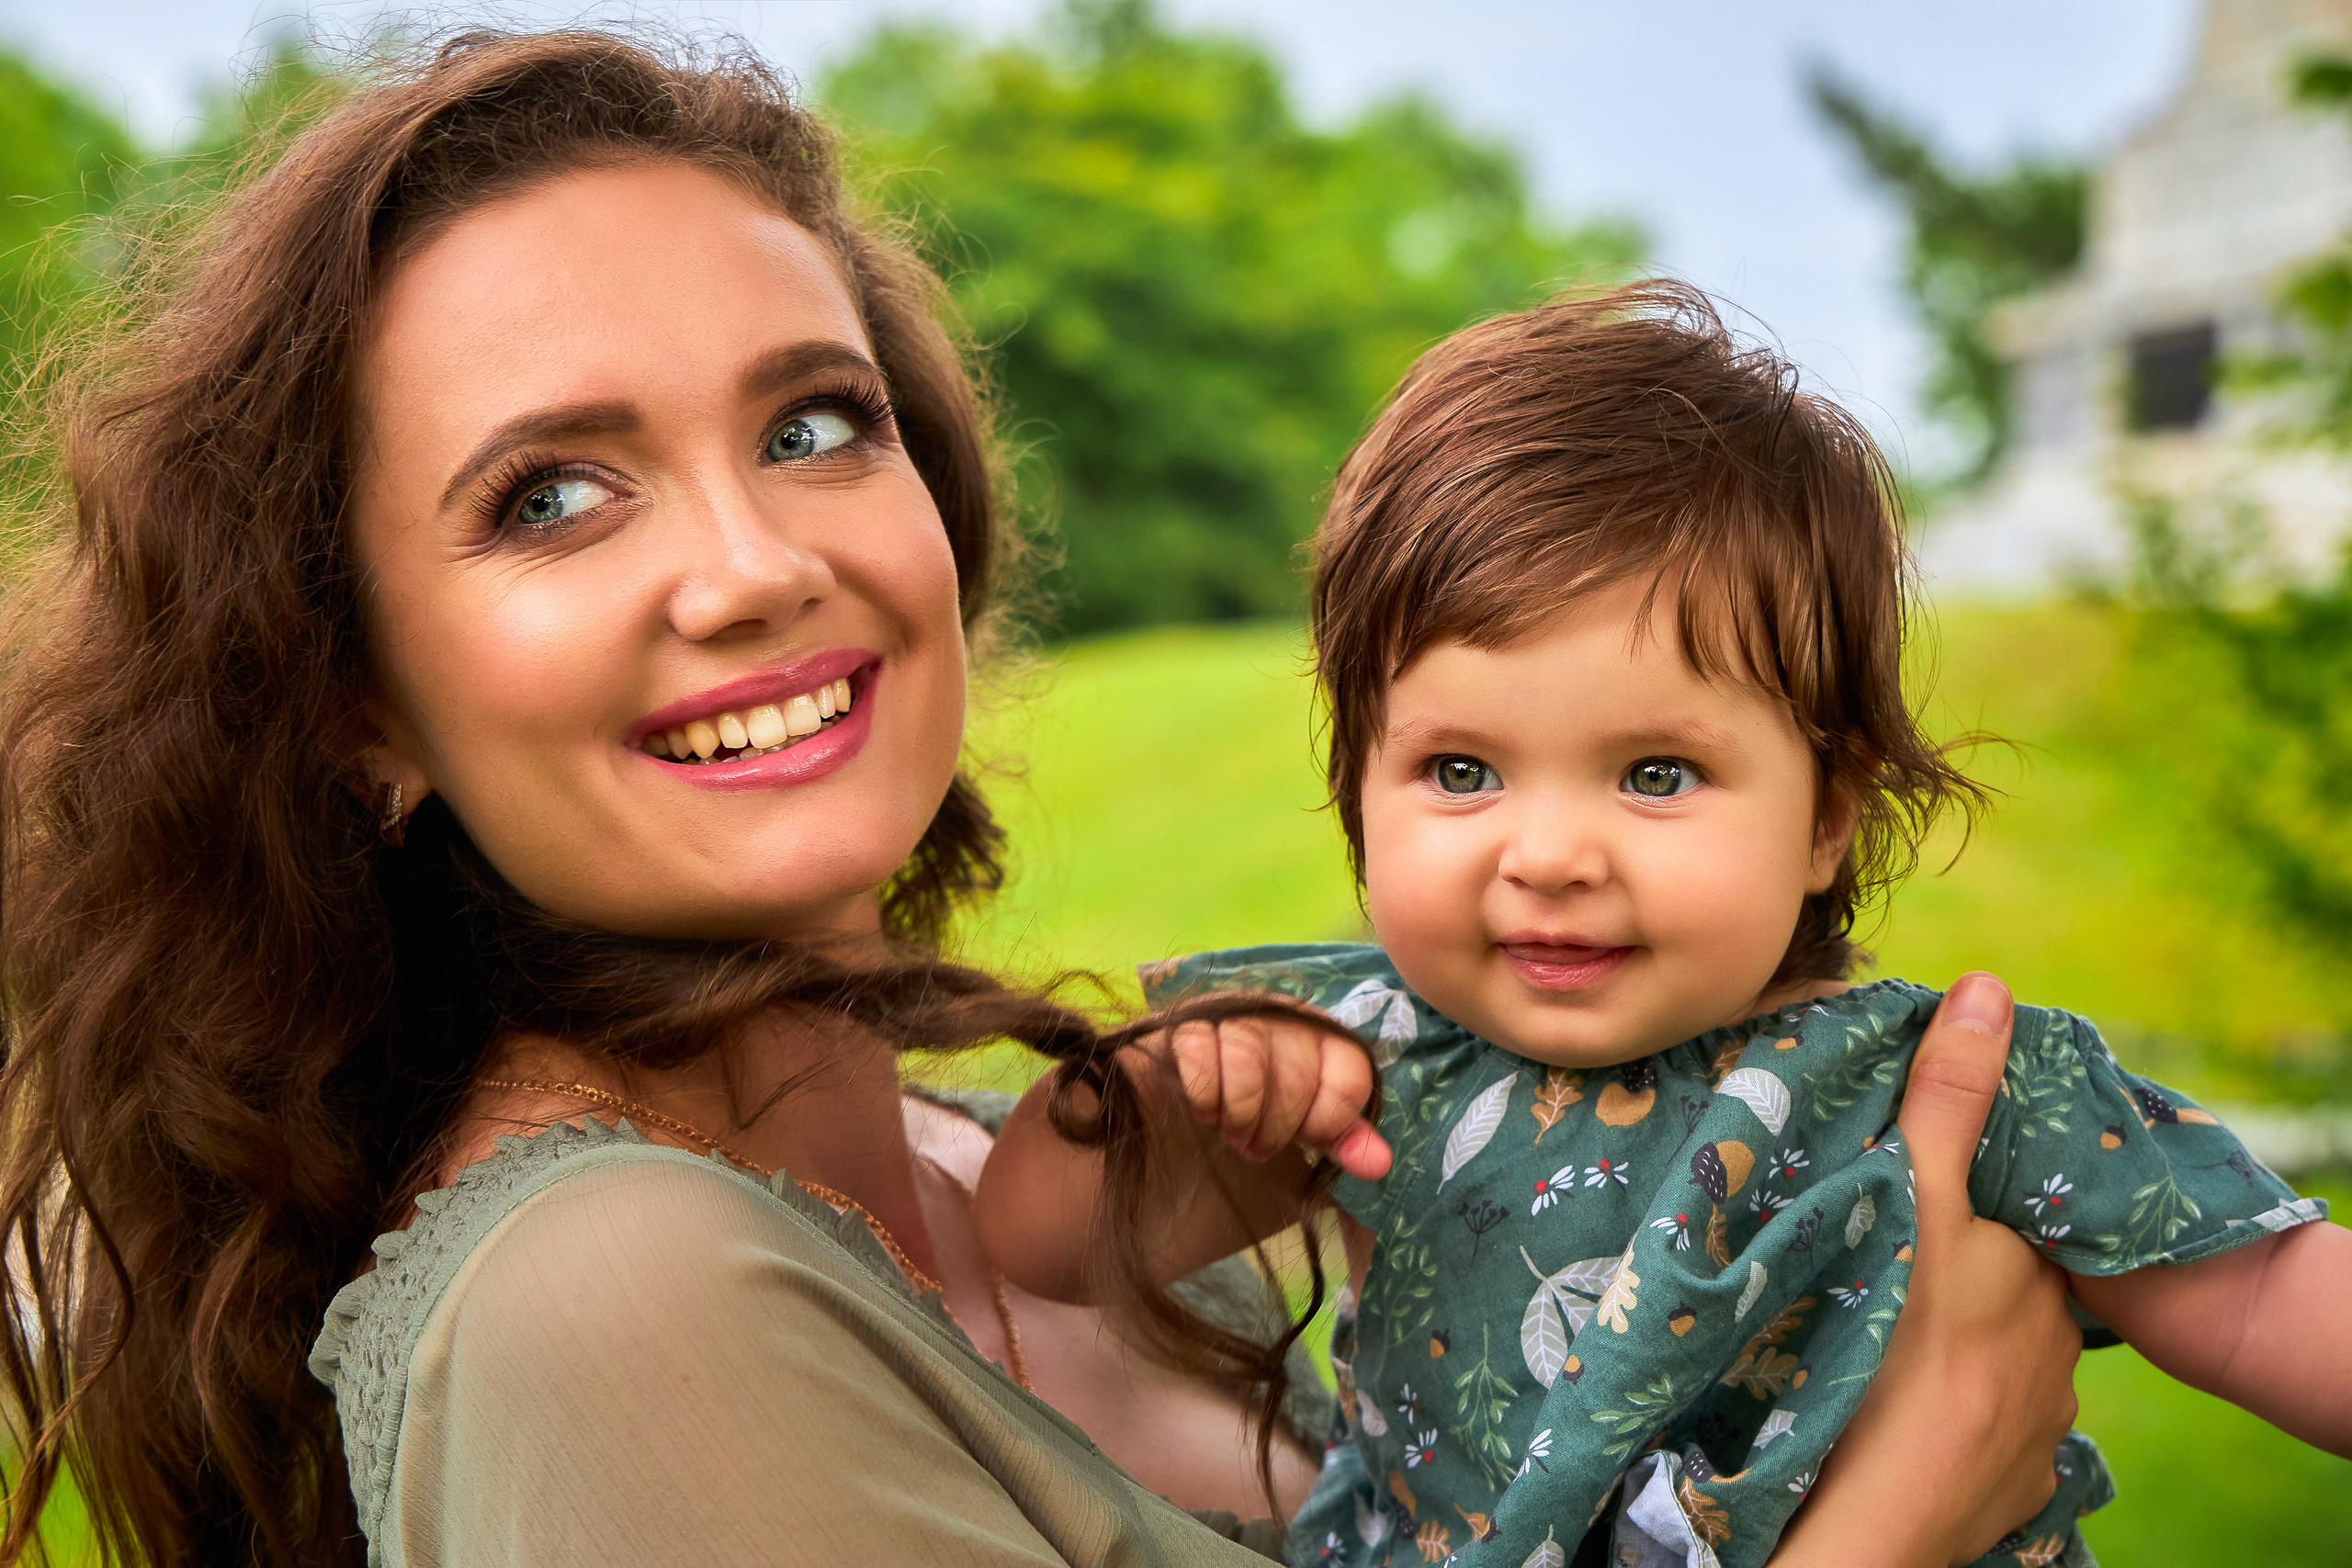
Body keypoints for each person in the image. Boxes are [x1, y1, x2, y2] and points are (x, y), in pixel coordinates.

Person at [0, 34, 2081, 1568]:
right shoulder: (613, 1309)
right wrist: (1893, 1516)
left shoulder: (987, 1152)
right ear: (359, 702)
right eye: (551, 494)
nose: (750, 561)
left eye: (816, 422)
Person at [977, 286, 2352, 1568]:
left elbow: (2256, 1299)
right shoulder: (1364, 1062)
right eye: (1462, 772)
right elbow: (1039, 1245)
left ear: (1828, 815)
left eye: (1655, 775)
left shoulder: (1945, 1093)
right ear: (1354, 788)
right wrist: (1170, 1102)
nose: (1553, 856)